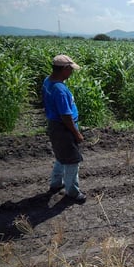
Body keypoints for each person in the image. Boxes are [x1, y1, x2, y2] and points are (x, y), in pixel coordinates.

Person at [42, 54, 86, 203]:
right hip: (64, 128)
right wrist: (76, 133)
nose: (72, 72)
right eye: (71, 69)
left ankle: (56, 184)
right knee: (73, 160)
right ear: (65, 69)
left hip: (54, 126)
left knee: (61, 156)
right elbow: (66, 116)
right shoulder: (60, 89)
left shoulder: (48, 81)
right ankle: (73, 192)